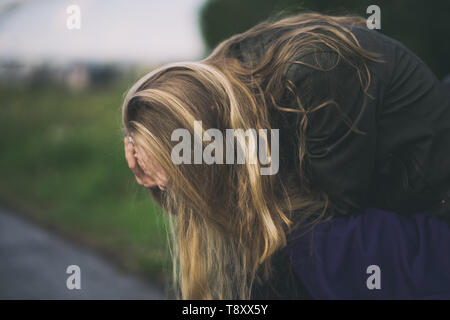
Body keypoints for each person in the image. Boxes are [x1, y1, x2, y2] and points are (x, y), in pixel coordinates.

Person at [122, 12, 450, 299]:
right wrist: (160, 185)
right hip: (384, 215)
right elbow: (216, 192)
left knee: (279, 248)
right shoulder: (231, 86)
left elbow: (334, 213)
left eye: (185, 161)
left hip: (431, 218)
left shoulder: (311, 75)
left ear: (204, 124)